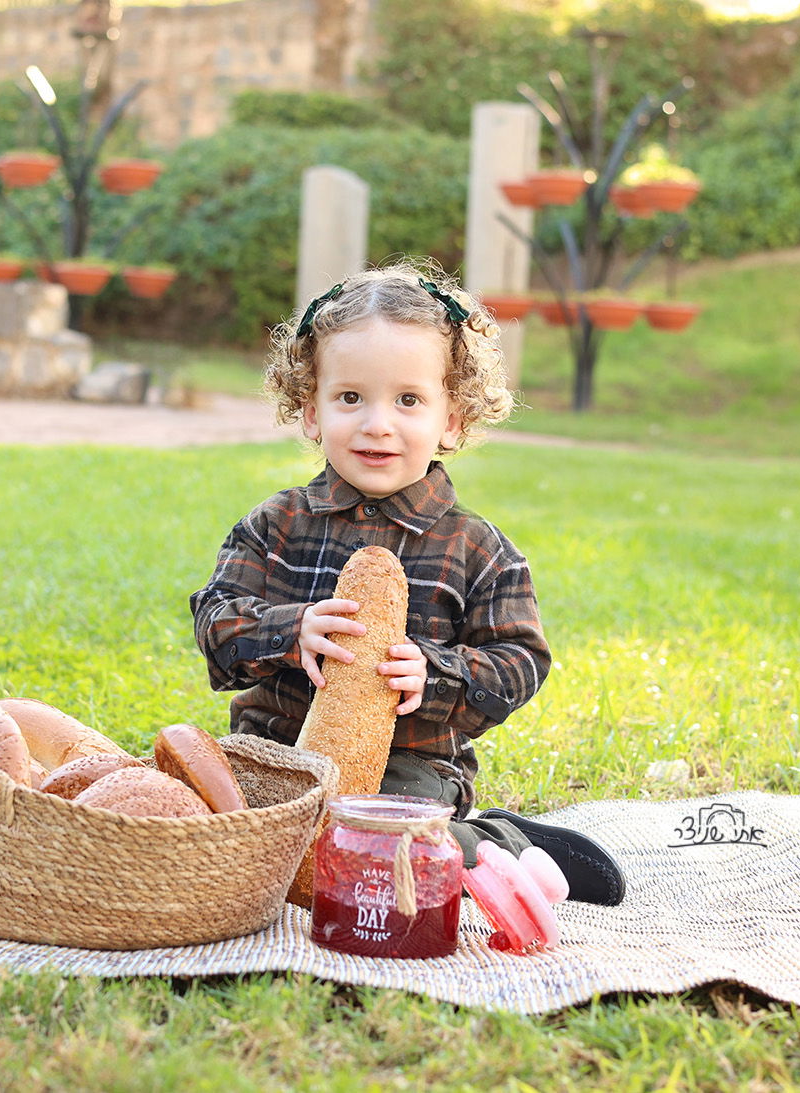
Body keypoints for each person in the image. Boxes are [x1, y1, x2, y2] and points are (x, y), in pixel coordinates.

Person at [190, 261, 624, 904]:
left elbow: (521, 663)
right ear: (311, 412)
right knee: (201, 833)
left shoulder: (478, 549)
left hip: (407, 772)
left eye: (409, 400)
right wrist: (292, 629)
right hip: (273, 753)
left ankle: (493, 844)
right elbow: (216, 621)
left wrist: (435, 672)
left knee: (389, 868)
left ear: (453, 418)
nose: (377, 423)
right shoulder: (274, 525)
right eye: (350, 398)